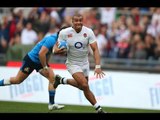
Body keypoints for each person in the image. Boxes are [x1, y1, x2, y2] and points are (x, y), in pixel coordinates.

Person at [0, 28, 66, 111]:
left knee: (52, 78)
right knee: (17, 80)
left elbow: (47, 54)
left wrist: (47, 65)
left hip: (40, 62)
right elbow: (41, 54)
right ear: (61, 34)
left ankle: (51, 104)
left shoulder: (57, 41)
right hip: (31, 60)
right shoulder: (51, 40)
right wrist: (45, 67)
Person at [53, 13, 106, 113]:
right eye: (76, 21)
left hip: (85, 63)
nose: (78, 22)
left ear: (82, 21)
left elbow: (95, 49)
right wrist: (56, 51)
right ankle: (98, 109)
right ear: (72, 22)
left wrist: (98, 66)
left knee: (83, 86)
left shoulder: (88, 32)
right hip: (72, 63)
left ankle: (61, 80)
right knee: (85, 85)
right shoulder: (64, 33)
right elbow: (56, 48)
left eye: (80, 20)